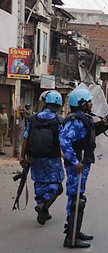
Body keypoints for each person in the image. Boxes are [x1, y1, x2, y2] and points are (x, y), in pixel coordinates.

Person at [60, 87, 108, 249]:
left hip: (84, 161)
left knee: (78, 196)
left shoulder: (84, 119)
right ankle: (71, 238)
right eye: (88, 101)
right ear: (81, 103)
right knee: (77, 199)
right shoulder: (74, 120)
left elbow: (87, 134)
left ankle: (75, 230)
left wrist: (101, 125)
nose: (91, 103)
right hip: (78, 163)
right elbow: (64, 141)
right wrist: (75, 161)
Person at [19, 91, 65, 225]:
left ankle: (43, 210)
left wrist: (22, 156)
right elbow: (63, 141)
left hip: (34, 157)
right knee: (57, 186)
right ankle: (44, 204)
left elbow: (25, 138)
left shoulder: (33, 119)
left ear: (46, 103)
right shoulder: (59, 121)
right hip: (52, 158)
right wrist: (67, 156)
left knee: (40, 183)